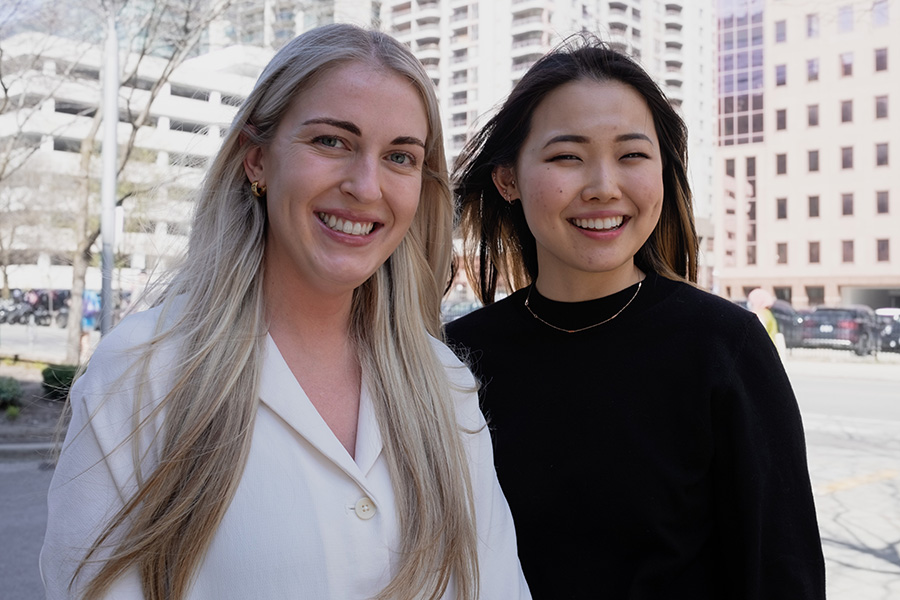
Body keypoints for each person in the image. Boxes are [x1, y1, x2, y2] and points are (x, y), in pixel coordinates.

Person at [41, 24, 529, 600]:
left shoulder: (446, 386)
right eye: (331, 142)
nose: (366, 186)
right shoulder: (143, 371)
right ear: (256, 160)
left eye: (400, 156)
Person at [445, 35, 825, 599]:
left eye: (632, 155)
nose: (604, 187)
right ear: (507, 180)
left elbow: (782, 573)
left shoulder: (724, 346)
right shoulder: (454, 358)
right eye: (567, 156)